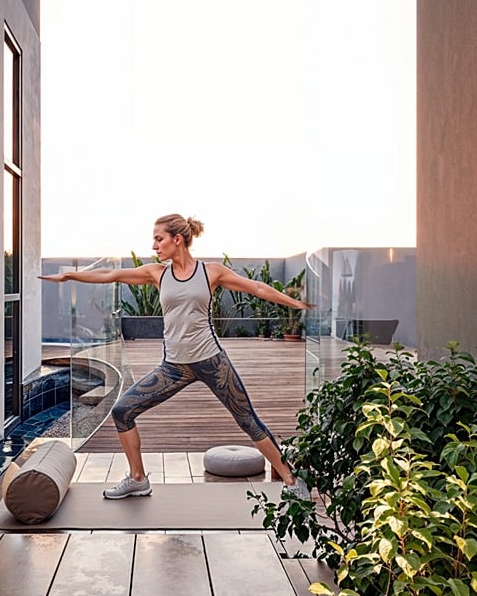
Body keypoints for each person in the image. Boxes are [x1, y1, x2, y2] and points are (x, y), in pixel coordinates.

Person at [39, 213, 315, 501]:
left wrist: (295, 303)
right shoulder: (157, 273)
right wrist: (70, 275)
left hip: (211, 362)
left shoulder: (211, 272)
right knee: (122, 411)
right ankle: (137, 479)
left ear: (177, 239)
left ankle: (291, 480)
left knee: (247, 420)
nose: (154, 245)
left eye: (159, 239)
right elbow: (111, 275)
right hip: (173, 367)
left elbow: (257, 288)